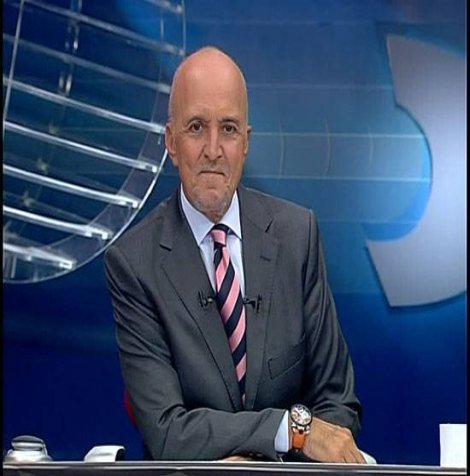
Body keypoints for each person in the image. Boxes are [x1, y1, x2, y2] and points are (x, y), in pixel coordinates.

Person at [104, 46, 365, 463]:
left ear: (245, 142)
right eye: (196, 127)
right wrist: (285, 431)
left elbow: (338, 407)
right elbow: (167, 431)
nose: (213, 149)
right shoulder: (134, 264)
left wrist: (267, 470)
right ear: (171, 142)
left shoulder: (297, 237)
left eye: (227, 129)